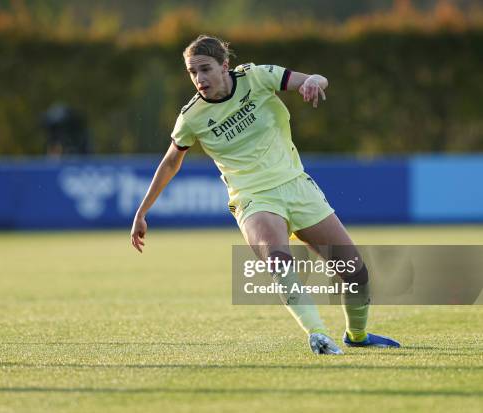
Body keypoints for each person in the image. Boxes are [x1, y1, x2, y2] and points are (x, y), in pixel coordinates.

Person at [130, 35, 400, 354]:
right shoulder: (192, 117)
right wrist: (141, 211)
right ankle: (317, 334)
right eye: (192, 72)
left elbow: (312, 78)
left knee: (354, 270)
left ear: (225, 66)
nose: (199, 78)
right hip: (253, 198)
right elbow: (171, 161)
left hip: (296, 186)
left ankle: (357, 336)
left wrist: (313, 81)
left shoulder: (256, 77)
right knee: (279, 260)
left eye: (205, 69)